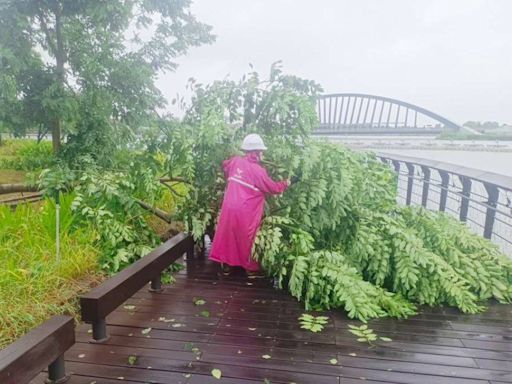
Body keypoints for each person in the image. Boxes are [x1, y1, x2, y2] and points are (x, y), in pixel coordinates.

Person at [209, 133, 290, 277]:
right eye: (261, 151)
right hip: (246, 210)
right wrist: (287, 183)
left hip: (229, 206)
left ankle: (227, 266)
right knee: (247, 237)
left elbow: (225, 165)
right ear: (256, 153)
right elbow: (273, 188)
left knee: (228, 234)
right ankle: (250, 269)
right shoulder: (258, 171)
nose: (263, 153)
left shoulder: (235, 161)